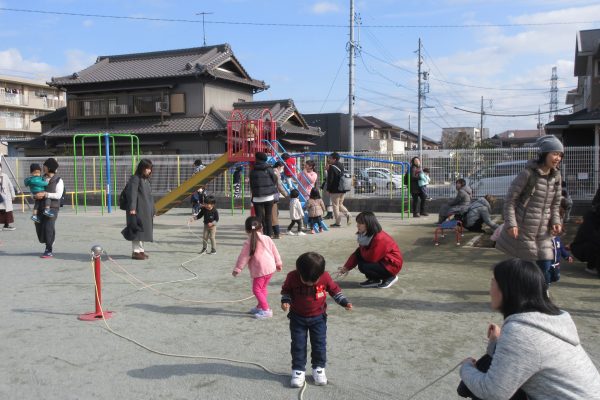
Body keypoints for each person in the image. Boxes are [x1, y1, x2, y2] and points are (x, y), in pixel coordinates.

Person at [458, 258, 600, 400]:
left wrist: (466, 367)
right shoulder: (551, 319)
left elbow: (492, 392)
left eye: (493, 281)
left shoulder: (521, 332)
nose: (490, 288)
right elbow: (523, 358)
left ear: (508, 289)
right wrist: (497, 342)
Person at [496, 135, 563, 285]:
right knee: (526, 271)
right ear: (544, 154)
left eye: (560, 155)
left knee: (545, 267)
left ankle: (541, 299)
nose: (558, 158)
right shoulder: (527, 174)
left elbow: (556, 204)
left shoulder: (556, 177)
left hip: (544, 231)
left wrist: (556, 221)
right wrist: (511, 224)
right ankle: (517, 297)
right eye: (555, 153)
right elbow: (510, 201)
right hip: (524, 230)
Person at [281, 252, 352, 388]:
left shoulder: (325, 277)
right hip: (297, 318)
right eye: (305, 280)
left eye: (313, 281)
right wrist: (285, 301)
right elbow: (286, 290)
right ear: (298, 271)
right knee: (298, 345)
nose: (309, 283)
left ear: (321, 274)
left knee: (319, 344)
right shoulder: (292, 276)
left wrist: (344, 302)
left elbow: (335, 291)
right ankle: (298, 370)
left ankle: (318, 368)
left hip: (318, 318)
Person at [232, 216, 282, 319]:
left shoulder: (248, 242)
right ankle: (260, 306)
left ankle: (266, 309)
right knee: (262, 288)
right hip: (270, 268)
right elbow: (275, 251)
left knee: (257, 290)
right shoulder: (267, 238)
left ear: (246, 230)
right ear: (261, 227)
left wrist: (238, 269)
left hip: (261, 270)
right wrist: (278, 262)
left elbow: (243, 257)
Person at [338, 211, 403, 289]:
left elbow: (372, 258)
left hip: (391, 265)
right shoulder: (366, 235)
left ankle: (390, 277)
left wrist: (360, 251)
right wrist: (346, 267)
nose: (357, 225)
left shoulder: (379, 238)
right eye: (357, 222)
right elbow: (358, 253)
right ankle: (374, 279)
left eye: (360, 223)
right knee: (360, 259)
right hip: (382, 261)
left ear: (368, 225)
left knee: (363, 265)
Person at [32, 158, 64, 257]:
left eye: (45, 166)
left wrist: (46, 194)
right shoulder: (40, 178)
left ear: (50, 167)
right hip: (40, 206)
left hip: (53, 207)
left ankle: (48, 249)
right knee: (39, 226)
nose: (43, 168)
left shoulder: (58, 180)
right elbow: (33, 190)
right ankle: (49, 240)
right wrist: (35, 196)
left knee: (48, 226)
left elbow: (58, 195)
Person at [124, 158, 155, 261]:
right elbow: (132, 194)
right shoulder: (135, 178)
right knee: (136, 230)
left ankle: (141, 250)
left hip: (145, 210)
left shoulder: (145, 180)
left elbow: (150, 197)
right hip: (137, 210)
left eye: (150, 169)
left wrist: (153, 210)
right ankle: (136, 252)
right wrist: (132, 208)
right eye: (147, 168)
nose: (149, 171)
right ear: (142, 168)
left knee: (143, 231)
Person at [249, 152, 278, 238]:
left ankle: (257, 235)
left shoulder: (252, 170)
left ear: (256, 159)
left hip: (257, 197)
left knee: (258, 218)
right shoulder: (269, 168)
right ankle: (268, 236)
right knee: (268, 217)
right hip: (269, 197)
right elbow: (274, 179)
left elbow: (251, 184)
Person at [570, 205, 600, 277]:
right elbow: (593, 236)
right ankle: (591, 266)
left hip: (591, 243)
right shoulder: (591, 219)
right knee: (595, 246)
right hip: (581, 247)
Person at [325, 152, 351, 227]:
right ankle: (348, 214)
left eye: (330, 158)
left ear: (334, 159)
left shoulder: (332, 167)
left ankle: (337, 223)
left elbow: (330, 180)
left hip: (335, 190)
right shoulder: (341, 165)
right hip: (343, 189)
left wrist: (328, 189)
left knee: (335, 206)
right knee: (340, 204)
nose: (328, 159)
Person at [271, 161, 288, 240]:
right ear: (278, 166)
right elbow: (279, 186)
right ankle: (276, 233)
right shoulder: (276, 173)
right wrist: (286, 195)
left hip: (265, 195)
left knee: (272, 214)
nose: (283, 169)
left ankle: (273, 232)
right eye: (282, 167)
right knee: (274, 215)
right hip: (272, 195)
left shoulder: (271, 171)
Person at [0, 163, 16, 231]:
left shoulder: (5, 175)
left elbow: (10, 185)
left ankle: (6, 225)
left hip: (5, 196)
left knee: (7, 212)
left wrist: (13, 194)